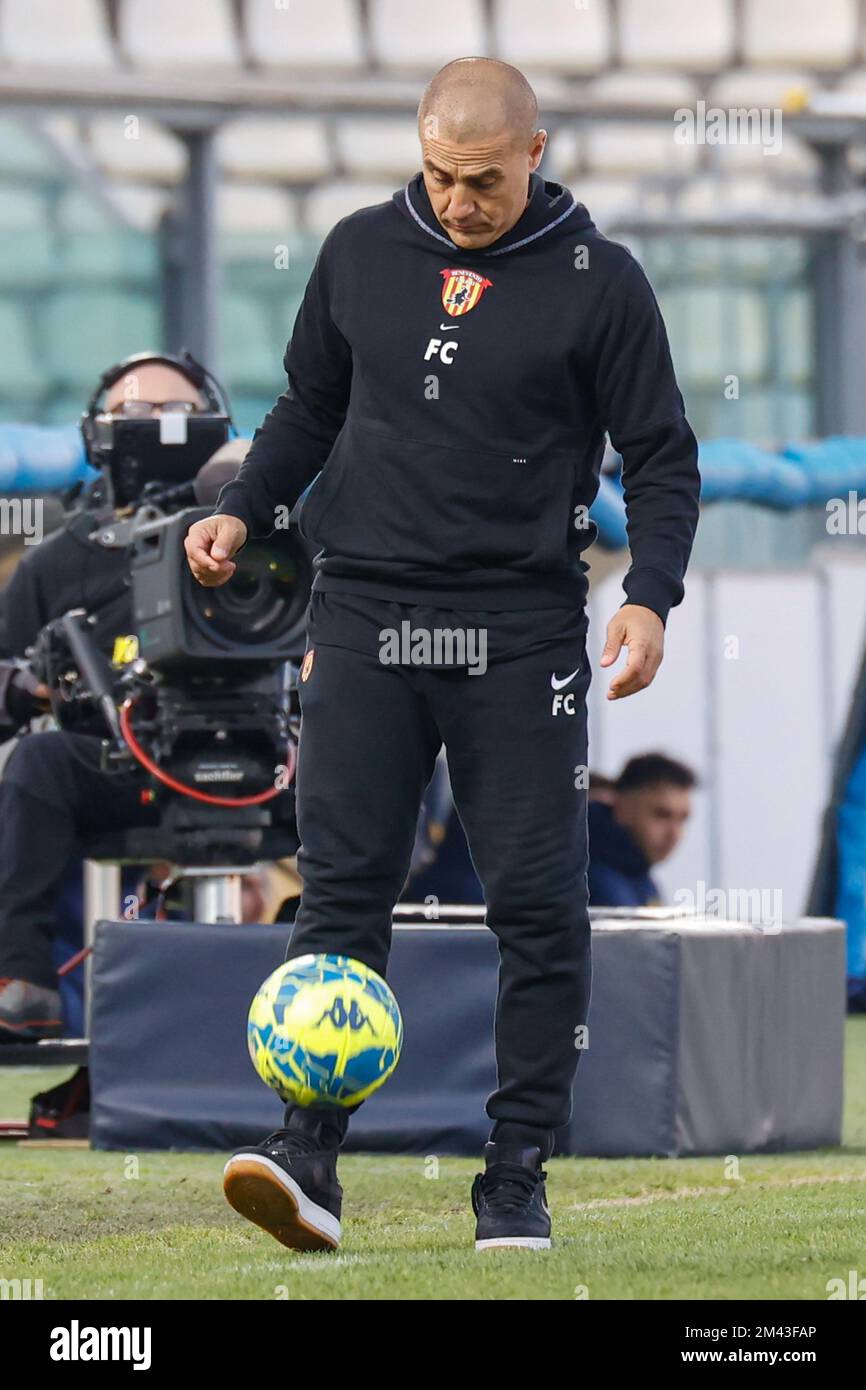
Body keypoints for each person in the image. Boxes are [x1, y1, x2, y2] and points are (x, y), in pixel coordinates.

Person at [186, 56, 701, 1253]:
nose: (457, 202)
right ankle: (308, 1152)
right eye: (437, 175)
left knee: (537, 907)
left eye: (480, 180)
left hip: (520, 629)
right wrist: (245, 511)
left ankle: (512, 1173)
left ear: (533, 151)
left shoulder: (601, 283)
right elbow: (308, 407)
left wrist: (654, 599)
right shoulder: (360, 248)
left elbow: (661, 456)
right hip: (361, 613)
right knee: (342, 893)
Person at [0, 356, 213, 1038]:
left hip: (263, 751)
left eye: (177, 414)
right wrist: (31, 683)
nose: (156, 431)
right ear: (97, 436)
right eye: (136, 417)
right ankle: (24, 979)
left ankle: (328, 951)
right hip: (120, 763)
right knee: (37, 763)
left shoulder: (269, 535)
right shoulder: (56, 561)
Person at [587, 753, 696, 907]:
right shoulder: (585, 876)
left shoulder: (637, 873)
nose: (674, 834)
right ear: (621, 808)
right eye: (661, 815)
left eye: (682, 819)